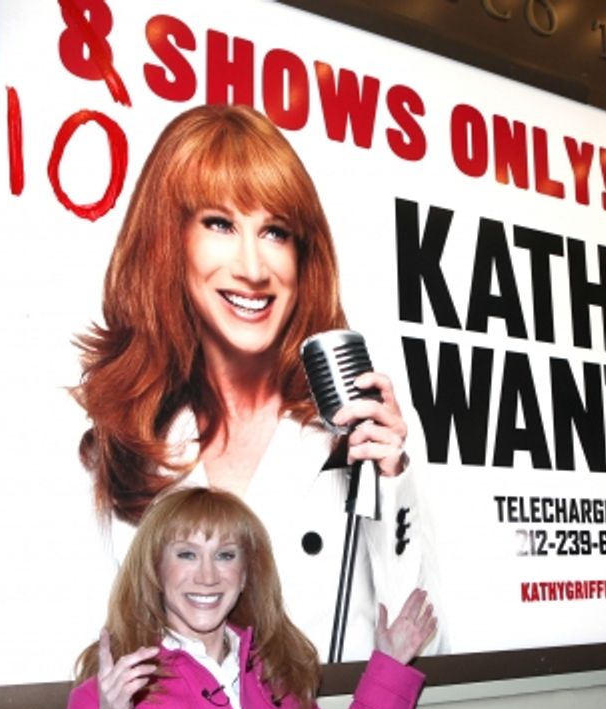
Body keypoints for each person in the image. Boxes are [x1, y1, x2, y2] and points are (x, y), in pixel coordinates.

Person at [73, 104, 443, 661]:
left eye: (275, 232)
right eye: (220, 224)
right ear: (167, 241)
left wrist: (390, 481)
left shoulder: (346, 436)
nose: (253, 267)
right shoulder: (126, 437)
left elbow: (425, 645)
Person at [60, 486, 436, 709]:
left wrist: (389, 665)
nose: (207, 577)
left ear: (246, 573)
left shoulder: (274, 672)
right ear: (156, 570)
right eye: (186, 554)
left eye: (225, 555)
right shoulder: (113, 692)